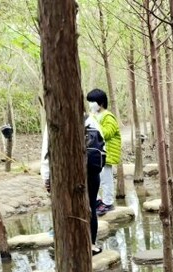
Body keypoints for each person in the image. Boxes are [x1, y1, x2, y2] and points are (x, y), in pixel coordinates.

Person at [41, 112, 106, 254]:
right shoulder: (90, 119)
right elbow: (102, 147)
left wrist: (46, 177)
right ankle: (91, 244)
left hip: (65, 174)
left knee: (67, 208)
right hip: (91, 173)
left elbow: (46, 151)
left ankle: (70, 245)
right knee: (91, 208)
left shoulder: (54, 121)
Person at [86, 88, 121, 216]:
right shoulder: (94, 116)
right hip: (97, 154)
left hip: (107, 153)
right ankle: (99, 201)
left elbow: (106, 133)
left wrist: (94, 124)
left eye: (92, 101)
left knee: (106, 179)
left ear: (100, 102)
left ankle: (108, 203)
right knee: (97, 179)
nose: (90, 104)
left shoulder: (108, 116)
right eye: (89, 101)